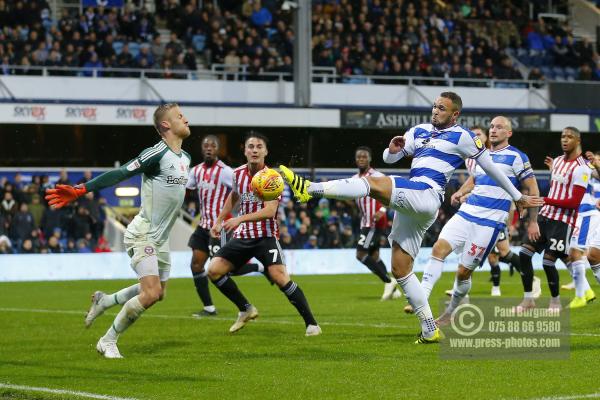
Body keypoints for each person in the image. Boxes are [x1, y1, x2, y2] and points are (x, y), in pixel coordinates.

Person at [281, 91, 543, 344]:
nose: (435, 111)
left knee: (372, 183)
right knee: (400, 268)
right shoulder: (418, 131)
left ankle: (310, 189)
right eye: (434, 106)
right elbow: (390, 157)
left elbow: (491, 168)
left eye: (442, 108)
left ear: (455, 114)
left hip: (427, 193)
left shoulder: (462, 136)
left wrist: (516, 196)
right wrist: (392, 150)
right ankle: (430, 330)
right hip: (413, 198)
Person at [46, 103, 192, 358]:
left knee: (159, 294)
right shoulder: (156, 153)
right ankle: (108, 340)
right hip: (142, 233)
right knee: (151, 292)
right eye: (180, 116)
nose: (186, 119)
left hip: (162, 238)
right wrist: (81, 189)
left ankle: (105, 300)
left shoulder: (186, 158)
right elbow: (121, 172)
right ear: (166, 125)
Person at [418, 116, 540, 323]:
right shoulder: (481, 156)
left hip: (489, 223)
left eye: (499, 127)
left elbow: (533, 189)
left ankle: (450, 313)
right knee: (438, 249)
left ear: (509, 133)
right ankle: (420, 298)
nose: (493, 130)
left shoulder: (517, 157)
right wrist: (460, 192)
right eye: (491, 126)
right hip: (466, 214)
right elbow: (475, 179)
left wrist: (533, 221)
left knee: (464, 271)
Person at [207, 131, 321, 336]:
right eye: (251, 146)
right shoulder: (237, 174)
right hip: (243, 236)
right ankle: (246, 309)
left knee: (280, 278)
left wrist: (238, 219)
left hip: (266, 237)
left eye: (259, 147)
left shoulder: (272, 178)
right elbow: (234, 196)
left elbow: (269, 211)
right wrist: (219, 220)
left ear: (266, 152)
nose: (255, 150)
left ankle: (312, 324)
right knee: (214, 270)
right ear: (245, 150)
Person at [186, 135, 262, 317]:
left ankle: (259, 268)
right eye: (206, 145)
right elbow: (187, 191)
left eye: (212, 145)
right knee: (196, 265)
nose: (209, 148)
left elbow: (242, 189)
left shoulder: (226, 171)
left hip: (219, 228)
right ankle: (209, 308)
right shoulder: (195, 171)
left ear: (218, 150)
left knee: (225, 268)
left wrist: (238, 212)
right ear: (202, 149)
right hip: (203, 226)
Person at [519, 127, 591, 311]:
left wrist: (544, 200)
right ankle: (528, 300)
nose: (564, 140)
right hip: (545, 217)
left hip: (563, 222)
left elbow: (574, 202)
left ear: (578, 140)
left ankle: (555, 301)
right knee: (524, 254)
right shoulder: (558, 161)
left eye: (569, 137)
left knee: (548, 261)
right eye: (562, 136)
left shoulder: (582, 168)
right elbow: (556, 188)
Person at [352, 146, 400, 300]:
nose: (361, 159)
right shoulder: (354, 179)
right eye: (359, 156)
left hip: (374, 223)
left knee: (360, 254)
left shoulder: (378, 176)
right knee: (374, 255)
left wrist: (383, 211)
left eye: (364, 156)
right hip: (365, 222)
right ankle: (394, 290)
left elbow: (391, 194)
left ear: (370, 159)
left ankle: (388, 281)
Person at [561, 149, 599, 308]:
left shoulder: (589, 169)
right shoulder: (577, 169)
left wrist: (596, 166)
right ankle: (585, 290)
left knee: (576, 253)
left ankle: (581, 292)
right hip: (583, 215)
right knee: (592, 257)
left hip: (587, 215)